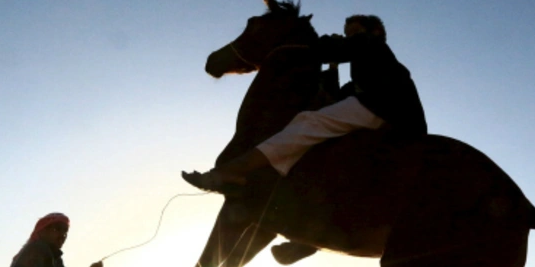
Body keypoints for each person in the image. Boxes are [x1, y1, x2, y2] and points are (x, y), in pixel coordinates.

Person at [181, 14, 427, 192]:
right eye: (347, 33)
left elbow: (335, 49)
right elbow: (339, 98)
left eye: (354, 32)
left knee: (308, 122)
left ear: (374, 32)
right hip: (389, 113)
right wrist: (331, 69)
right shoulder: (364, 77)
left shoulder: (372, 45)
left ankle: (232, 170)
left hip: (389, 110)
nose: (349, 36)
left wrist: (313, 43)